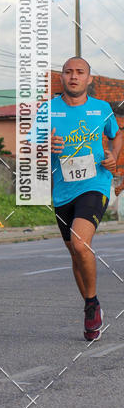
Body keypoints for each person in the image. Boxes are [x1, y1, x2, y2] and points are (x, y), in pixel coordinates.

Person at [48, 57, 121, 340]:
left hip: (95, 183)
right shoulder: (47, 110)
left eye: (80, 72)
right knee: (75, 253)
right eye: (68, 72)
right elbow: (29, 146)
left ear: (89, 79)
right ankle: (90, 302)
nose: (73, 76)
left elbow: (116, 136)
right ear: (62, 78)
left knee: (80, 243)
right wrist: (44, 144)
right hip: (62, 189)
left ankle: (91, 305)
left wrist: (114, 157)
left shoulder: (101, 109)